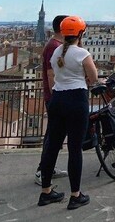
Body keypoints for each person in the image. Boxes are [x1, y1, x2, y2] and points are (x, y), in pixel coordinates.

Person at [38, 15, 99, 209]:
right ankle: (76, 195)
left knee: (52, 146)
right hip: (76, 100)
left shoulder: (56, 52)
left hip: (57, 98)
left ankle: (46, 192)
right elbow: (93, 77)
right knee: (75, 149)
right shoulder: (82, 53)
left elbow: (56, 74)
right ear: (81, 33)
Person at [35, 14, 69, 185]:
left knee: (54, 135)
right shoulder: (54, 46)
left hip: (55, 96)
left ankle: (48, 168)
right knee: (52, 136)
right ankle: (43, 171)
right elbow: (51, 74)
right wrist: (57, 96)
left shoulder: (55, 45)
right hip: (55, 97)